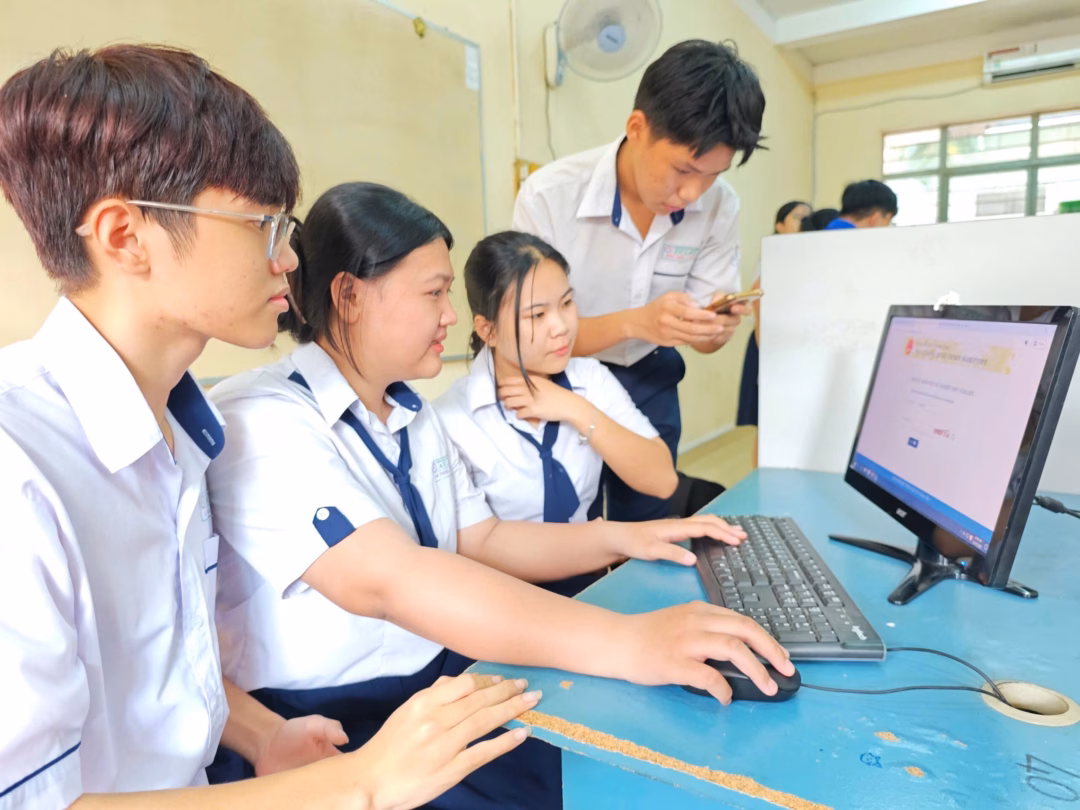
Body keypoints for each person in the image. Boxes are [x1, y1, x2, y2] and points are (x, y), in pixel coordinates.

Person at [0, 44, 538, 810]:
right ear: (124, 237)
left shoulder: (181, 429)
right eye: (262, 225)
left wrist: (261, 735)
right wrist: (361, 782)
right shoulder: (18, 466)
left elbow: (152, 672)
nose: (287, 259)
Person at [204, 181, 795, 808]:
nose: (451, 316)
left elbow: (482, 538)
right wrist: (629, 640)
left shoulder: (410, 411)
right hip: (331, 720)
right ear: (349, 296)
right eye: (433, 293)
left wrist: (626, 537)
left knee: (610, 755)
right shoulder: (264, 416)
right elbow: (389, 581)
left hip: (441, 675)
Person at [512, 40, 766, 523]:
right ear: (636, 128)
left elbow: (707, 343)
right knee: (570, 524)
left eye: (712, 175)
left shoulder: (720, 205)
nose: (691, 192)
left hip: (652, 376)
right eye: (683, 169)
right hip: (559, 375)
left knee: (652, 519)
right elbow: (528, 336)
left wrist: (712, 330)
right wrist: (637, 323)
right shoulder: (549, 197)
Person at [434, 231, 678, 596]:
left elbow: (662, 480)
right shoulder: (451, 419)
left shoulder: (590, 379)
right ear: (488, 330)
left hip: (593, 586)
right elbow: (471, 548)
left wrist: (576, 409)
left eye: (566, 303)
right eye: (538, 314)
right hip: (504, 600)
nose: (561, 326)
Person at [736, 201, 811, 432]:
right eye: (798, 217)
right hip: (768, 342)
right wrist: (765, 351)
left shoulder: (806, 255)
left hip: (792, 344)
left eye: (808, 217)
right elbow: (759, 301)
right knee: (766, 423)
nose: (804, 221)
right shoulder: (772, 255)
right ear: (779, 225)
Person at [824, 180, 897, 229]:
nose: (887, 227)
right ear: (876, 218)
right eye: (888, 221)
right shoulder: (857, 243)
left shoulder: (825, 231)